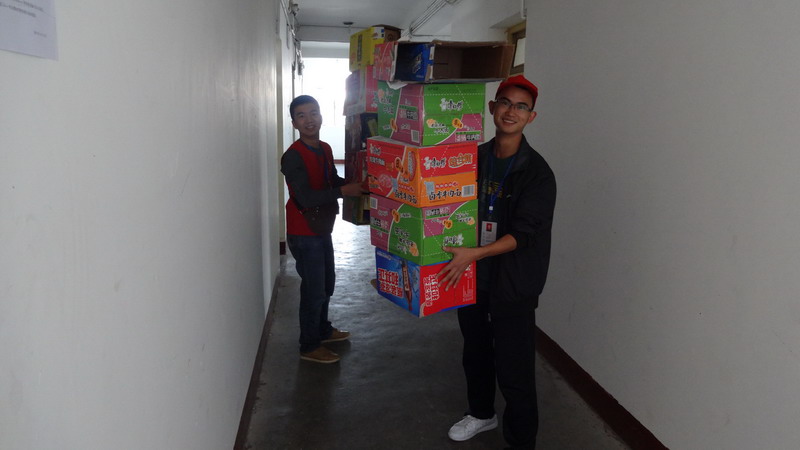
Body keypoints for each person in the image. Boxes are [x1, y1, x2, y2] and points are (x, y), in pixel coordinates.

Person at [438, 75, 557, 449]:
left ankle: (521, 441)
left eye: (521, 106)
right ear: (492, 107)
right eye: (505, 102)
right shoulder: (472, 159)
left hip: (513, 281)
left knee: (514, 366)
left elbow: (525, 234)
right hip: (472, 274)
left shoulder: (537, 173)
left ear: (531, 117)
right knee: (475, 350)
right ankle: (481, 413)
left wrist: (475, 253)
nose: (511, 111)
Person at [281, 95, 366, 364]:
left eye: (313, 113)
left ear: (320, 116)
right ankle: (309, 345)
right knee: (314, 289)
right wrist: (345, 191)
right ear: (294, 123)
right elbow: (306, 198)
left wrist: (356, 184)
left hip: (322, 227)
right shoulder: (292, 157)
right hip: (303, 231)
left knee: (327, 283)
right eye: (302, 115)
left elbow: (331, 180)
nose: (309, 120)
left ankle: (322, 330)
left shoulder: (325, 148)